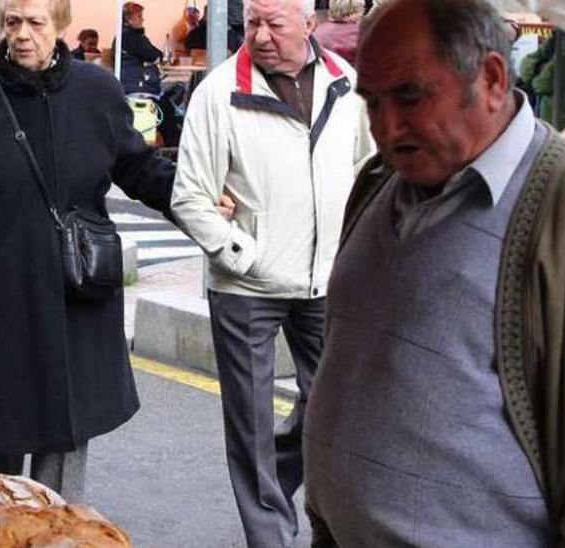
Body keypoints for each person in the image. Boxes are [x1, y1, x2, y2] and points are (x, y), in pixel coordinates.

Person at [305, 0, 565, 544]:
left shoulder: (559, 205)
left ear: (492, 79)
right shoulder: (379, 182)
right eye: (371, 102)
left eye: (409, 95)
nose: (385, 126)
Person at [0, 0, 175, 502]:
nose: (22, 35)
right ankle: (0, 518)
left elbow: (138, 168)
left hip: (77, 288)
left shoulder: (97, 90)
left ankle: (56, 523)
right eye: (12, 23)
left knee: (67, 424)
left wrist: (195, 196)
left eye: (35, 23)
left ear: (60, 27)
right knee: (7, 427)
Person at [170, 0, 374, 544]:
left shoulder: (345, 82)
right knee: (251, 427)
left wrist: (355, 247)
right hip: (247, 287)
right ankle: (271, 536)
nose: (260, 35)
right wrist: (242, 255)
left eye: (274, 23)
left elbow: (371, 171)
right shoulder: (217, 92)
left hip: (326, 279)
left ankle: (273, 482)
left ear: (309, 25)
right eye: (251, 23)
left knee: (332, 408)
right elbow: (189, 197)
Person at [119, 2, 162, 96]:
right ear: (128, 19)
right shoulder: (131, 37)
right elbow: (152, 55)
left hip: (129, 81)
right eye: (139, 16)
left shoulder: (123, 35)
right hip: (136, 85)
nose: (142, 19)